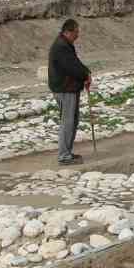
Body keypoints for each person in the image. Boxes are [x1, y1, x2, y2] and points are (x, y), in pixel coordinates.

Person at [47, 18, 92, 166]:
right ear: (68, 32)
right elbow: (71, 68)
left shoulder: (66, 44)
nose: (77, 35)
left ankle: (67, 152)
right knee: (68, 122)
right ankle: (64, 156)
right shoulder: (61, 47)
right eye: (76, 32)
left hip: (69, 88)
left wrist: (86, 72)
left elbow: (75, 62)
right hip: (65, 89)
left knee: (72, 121)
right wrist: (84, 75)